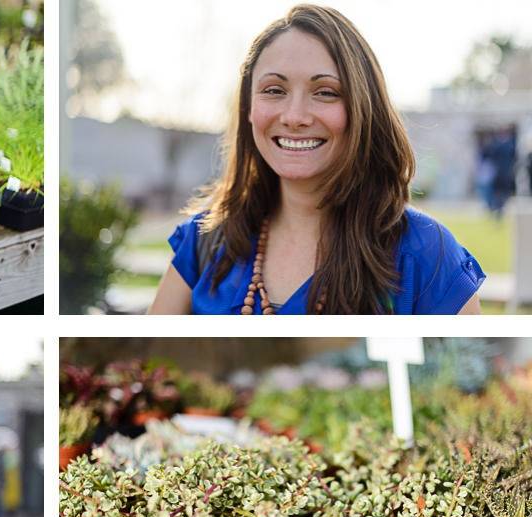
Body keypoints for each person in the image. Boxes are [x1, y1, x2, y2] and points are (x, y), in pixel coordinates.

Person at [149, 4, 484, 315]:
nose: (294, 116)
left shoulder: (426, 254)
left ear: (364, 109)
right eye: (274, 90)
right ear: (249, 109)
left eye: (325, 92)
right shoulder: (206, 240)